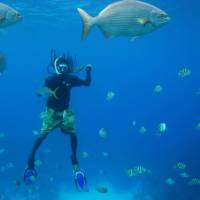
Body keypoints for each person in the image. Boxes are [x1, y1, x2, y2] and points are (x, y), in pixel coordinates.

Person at [24, 51, 91, 189]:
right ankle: (31, 162)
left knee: (72, 134)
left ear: (68, 68)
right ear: (56, 67)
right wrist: (40, 92)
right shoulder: (50, 80)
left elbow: (87, 83)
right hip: (51, 112)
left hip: (66, 112)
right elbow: (40, 92)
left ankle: (75, 162)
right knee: (43, 135)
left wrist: (88, 71)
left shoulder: (71, 79)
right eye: (60, 66)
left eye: (65, 67)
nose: (62, 69)